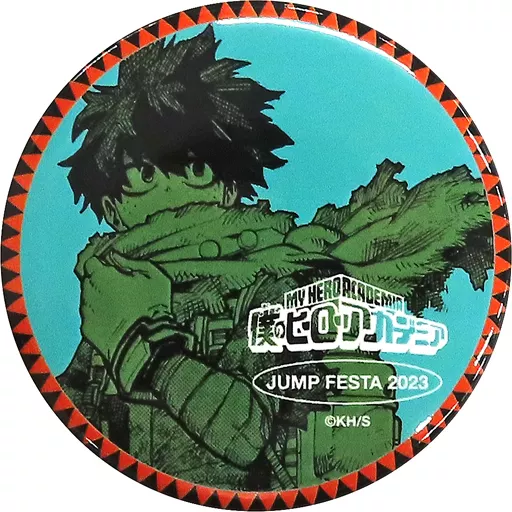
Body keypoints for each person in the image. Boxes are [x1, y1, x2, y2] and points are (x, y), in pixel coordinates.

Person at [58, 26, 492, 490]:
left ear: (228, 187)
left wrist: (145, 346)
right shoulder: (112, 285)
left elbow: (248, 435)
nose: (172, 189)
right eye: (144, 175)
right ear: (112, 206)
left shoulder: (279, 283)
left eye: (197, 168)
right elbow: (73, 413)